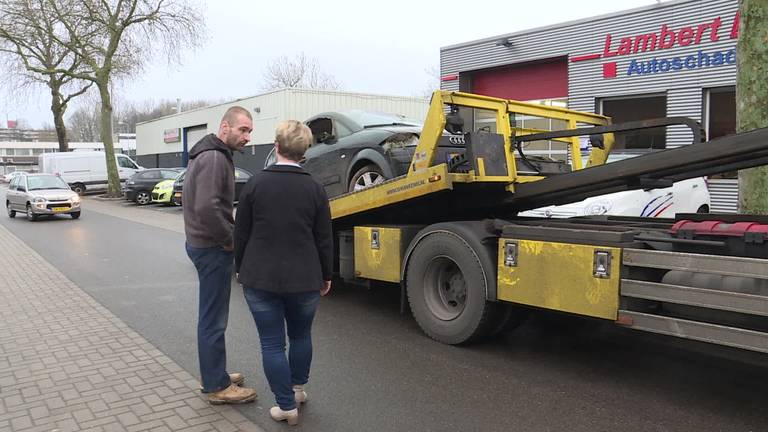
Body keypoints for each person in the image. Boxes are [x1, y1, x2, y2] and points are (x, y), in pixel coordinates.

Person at [234, 120, 333, 425]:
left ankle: (285, 405)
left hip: (260, 277)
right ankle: (298, 389)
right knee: (301, 335)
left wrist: (240, 268)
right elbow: (324, 237)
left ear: (276, 147)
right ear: (304, 152)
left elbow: (241, 233)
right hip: (305, 279)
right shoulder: (316, 188)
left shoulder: (254, 185)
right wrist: (326, 275)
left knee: (272, 343)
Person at [184, 106, 257, 405]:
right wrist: (230, 241)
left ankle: (214, 373)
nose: (247, 137)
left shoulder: (210, 154)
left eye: (250, 131)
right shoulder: (214, 158)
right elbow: (208, 208)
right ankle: (217, 386)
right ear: (224, 127)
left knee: (211, 316)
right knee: (214, 319)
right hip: (211, 248)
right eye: (243, 130)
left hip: (202, 244)